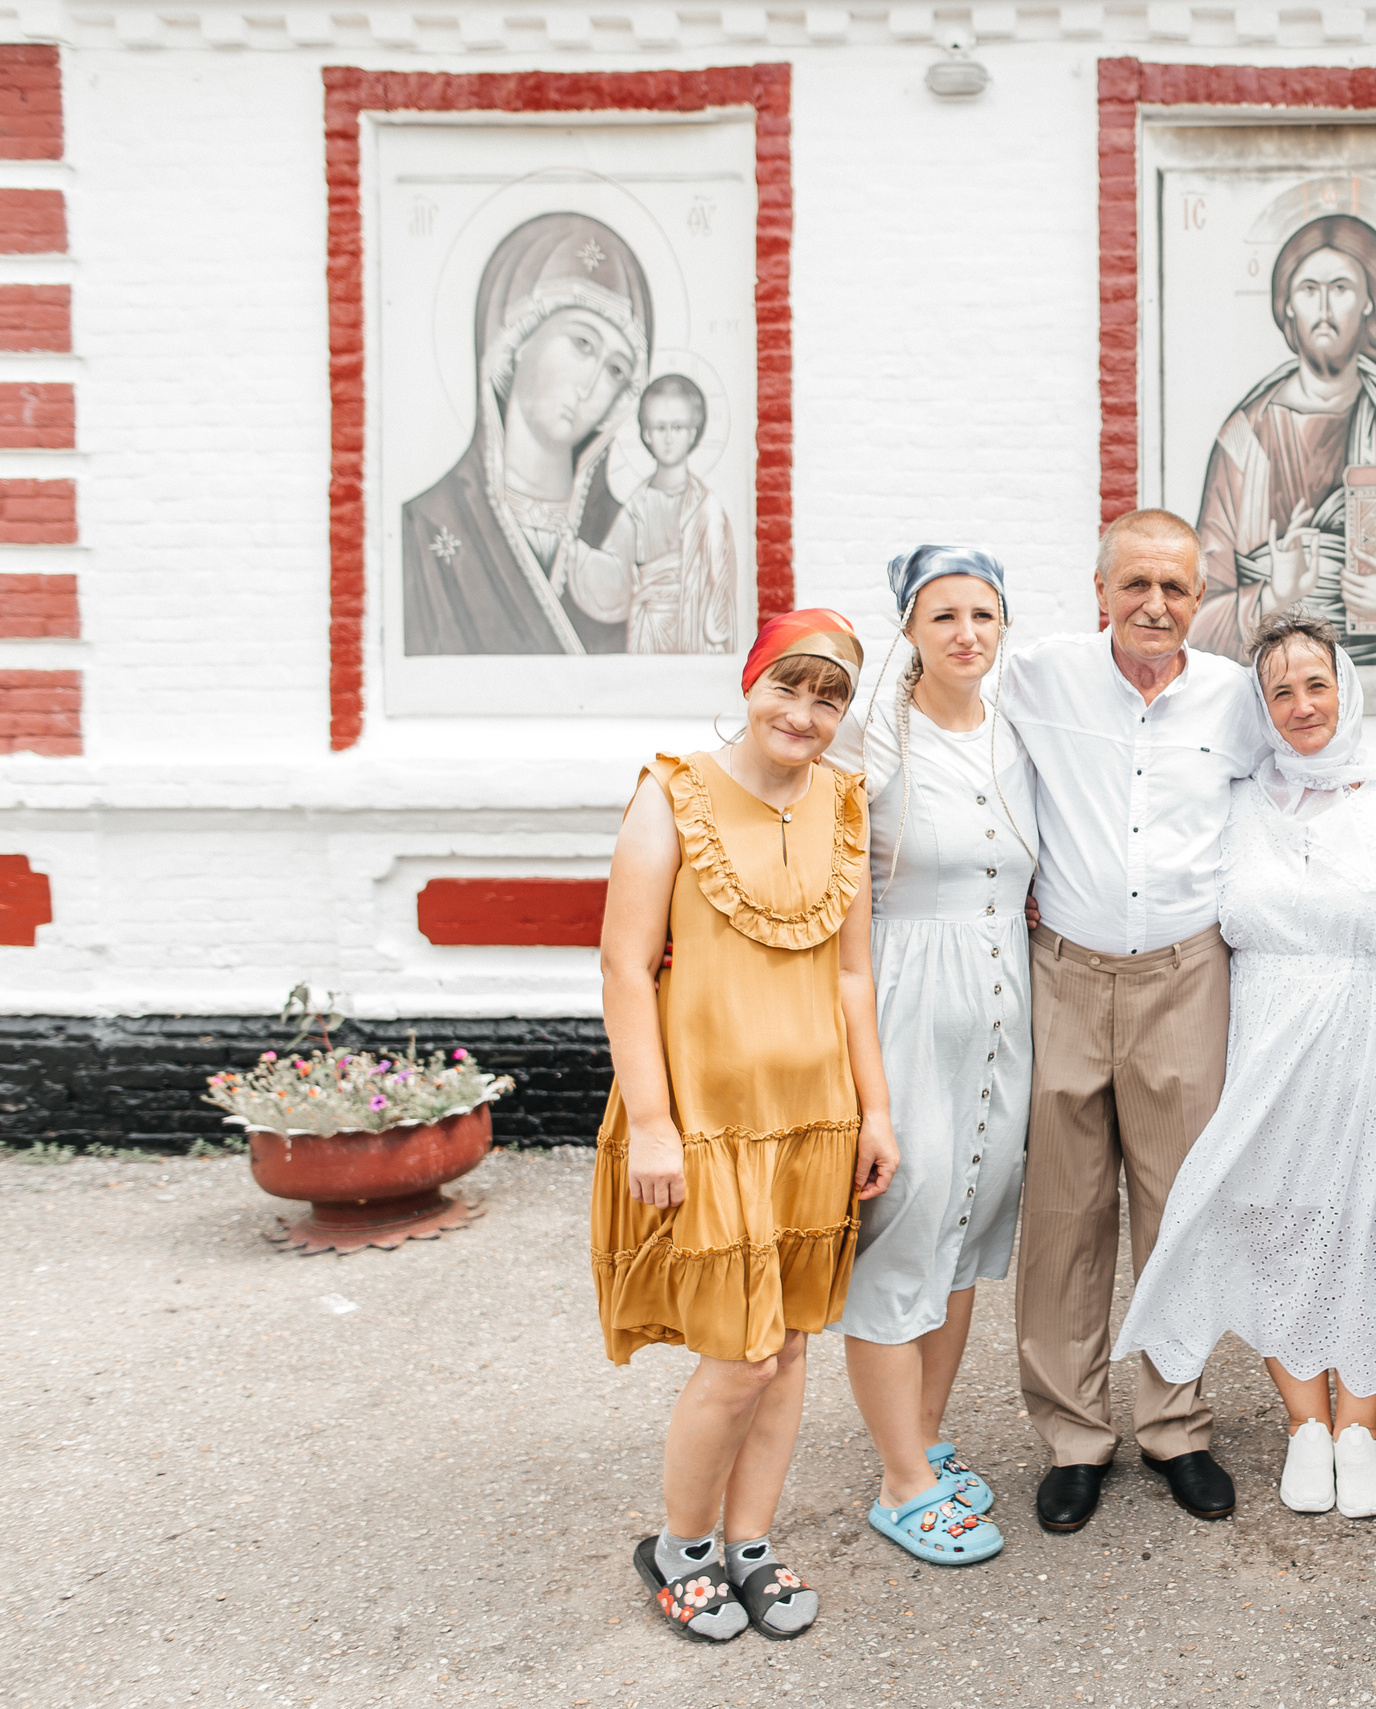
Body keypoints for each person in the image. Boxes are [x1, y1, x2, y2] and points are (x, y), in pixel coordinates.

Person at [591, 607, 900, 1639]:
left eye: (829, 698)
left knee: (793, 1346)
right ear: (751, 679)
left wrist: (876, 1109)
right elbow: (624, 967)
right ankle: (679, 1546)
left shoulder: (845, 804)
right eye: (789, 686)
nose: (804, 714)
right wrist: (652, 1121)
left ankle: (751, 1543)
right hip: (712, 1118)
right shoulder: (671, 792)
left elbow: (853, 972)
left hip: (815, 1117)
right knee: (740, 1355)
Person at [1113, 615, 1376, 1519]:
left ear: (1347, 690)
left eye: (1317, 684)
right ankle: (1306, 1423)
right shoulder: (1239, 802)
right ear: (1261, 708)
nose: (1302, 705)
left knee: (1372, 1233)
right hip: (1263, 1044)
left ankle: (1361, 1427)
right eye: (1281, 691)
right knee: (1276, 1226)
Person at [1002, 509, 1264, 1534]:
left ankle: (1174, 1424)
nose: (1157, 605)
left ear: (1201, 601)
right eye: (1137, 584)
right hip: (1064, 971)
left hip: (1187, 975)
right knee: (1064, 1219)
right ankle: (1072, 1434)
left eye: (1178, 589)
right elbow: (930, 711)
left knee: (1179, 1210)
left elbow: (1295, 788)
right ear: (1100, 587)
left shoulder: (1235, 698)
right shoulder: (1038, 676)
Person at [824, 546, 1033, 1567]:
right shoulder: (869, 745)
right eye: (943, 613)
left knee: (969, 1228)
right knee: (904, 1226)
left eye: (982, 614)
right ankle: (899, 1480)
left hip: (1005, 1008)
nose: (964, 632)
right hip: (906, 996)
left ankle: (927, 1437)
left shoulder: (1017, 733)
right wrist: (867, 1090)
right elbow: (840, 921)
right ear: (909, 626)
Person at [1191, 211, 1376, 667]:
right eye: (1309, 290)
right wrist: (1274, 594)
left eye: (1341, 289)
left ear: (1371, 302)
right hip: (1278, 685)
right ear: (1288, 304)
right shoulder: (1243, 439)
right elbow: (1194, 615)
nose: (1325, 309)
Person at [404, 211, 653, 655]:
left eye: (616, 369)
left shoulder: (630, 534)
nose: (592, 384)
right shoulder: (426, 527)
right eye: (582, 344)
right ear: (517, 338)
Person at [606, 373, 739, 656]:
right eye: (659, 427)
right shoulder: (636, 506)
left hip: (693, 630)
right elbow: (614, 568)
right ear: (646, 433)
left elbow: (719, 584)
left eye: (677, 427)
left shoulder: (706, 508)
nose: (668, 438)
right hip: (647, 630)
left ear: (693, 433)